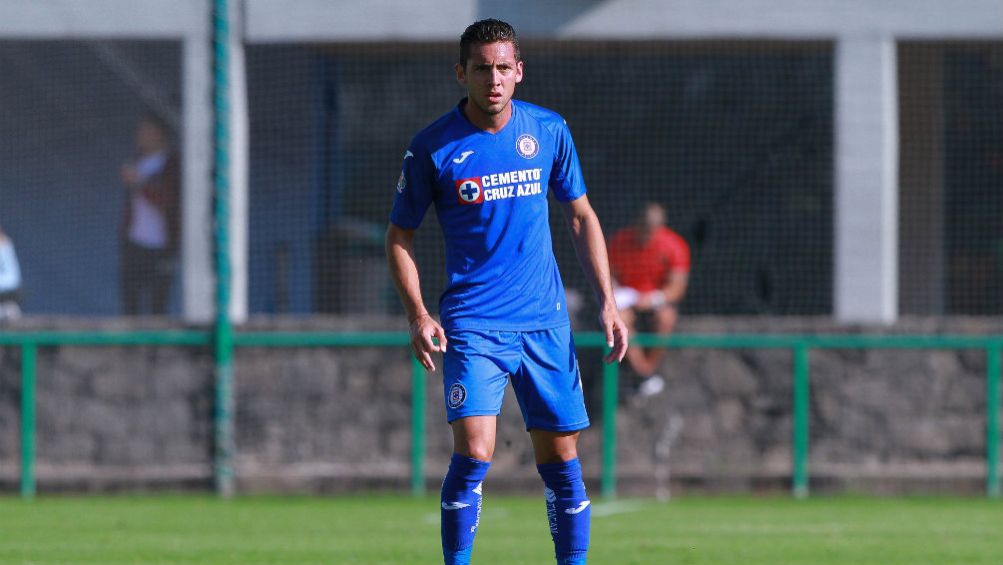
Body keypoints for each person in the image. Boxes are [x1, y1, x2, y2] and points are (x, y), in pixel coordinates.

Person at [385, 19, 628, 565]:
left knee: (562, 461)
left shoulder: (547, 130)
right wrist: (419, 314)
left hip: (545, 321)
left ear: (518, 72)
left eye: (502, 68)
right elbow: (399, 237)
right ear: (461, 73)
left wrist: (609, 302)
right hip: (473, 324)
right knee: (474, 451)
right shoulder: (432, 148)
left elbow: (581, 217)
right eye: (481, 68)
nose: (493, 79)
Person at [608, 202, 690, 396]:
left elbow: (677, 288)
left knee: (666, 319)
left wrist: (654, 298)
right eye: (642, 230)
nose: (645, 237)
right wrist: (617, 292)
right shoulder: (619, 241)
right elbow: (608, 276)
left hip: (656, 302)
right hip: (626, 301)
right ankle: (643, 371)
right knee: (621, 320)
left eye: (650, 232)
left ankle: (647, 370)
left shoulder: (674, 245)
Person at [119, 113, 180, 315]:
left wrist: (139, 183)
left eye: (146, 131)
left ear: (159, 134)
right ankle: (130, 346)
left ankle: (157, 347)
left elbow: (168, 201)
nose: (140, 135)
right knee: (130, 300)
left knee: (157, 302)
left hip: (161, 246)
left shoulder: (172, 164)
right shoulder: (137, 160)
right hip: (134, 242)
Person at [0, 223, 22, 320]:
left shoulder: (4, 244)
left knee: (11, 311)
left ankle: (7, 311)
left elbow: (12, 279)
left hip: (9, 290)